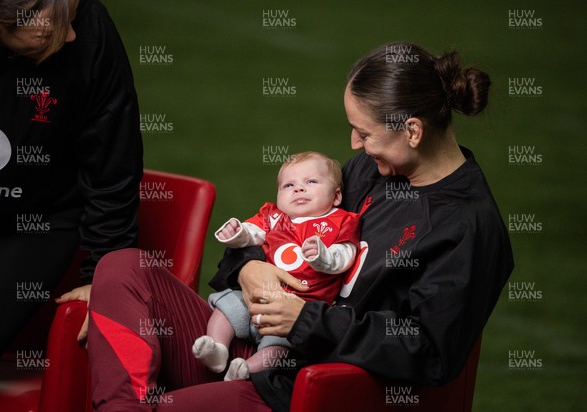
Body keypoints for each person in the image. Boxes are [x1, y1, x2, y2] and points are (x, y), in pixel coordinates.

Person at [87, 42, 513, 412]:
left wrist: (307, 320)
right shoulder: (372, 170)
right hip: (250, 341)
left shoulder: (466, 225)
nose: (353, 146)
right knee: (124, 267)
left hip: (305, 390)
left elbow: (430, 352)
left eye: (363, 133)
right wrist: (248, 268)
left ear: (414, 131)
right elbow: (280, 226)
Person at [0, 0, 142, 384]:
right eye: (51, 31)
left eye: (73, 21)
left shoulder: (87, 25)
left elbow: (113, 161)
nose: (72, 36)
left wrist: (108, 276)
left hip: (35, 222)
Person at [193, 151, 360, 381]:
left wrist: (324, 257)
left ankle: (246, 370)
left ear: (337, 195)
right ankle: (217, 348)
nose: (298, 189)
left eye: (311, 182)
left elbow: (347, 253)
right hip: (255, 296)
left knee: (279, 347)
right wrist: (237, 232)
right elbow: (252, 233)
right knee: (228, 305)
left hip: (297, 307)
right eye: (288, 185)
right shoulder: (274, 216)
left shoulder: (340, 221)